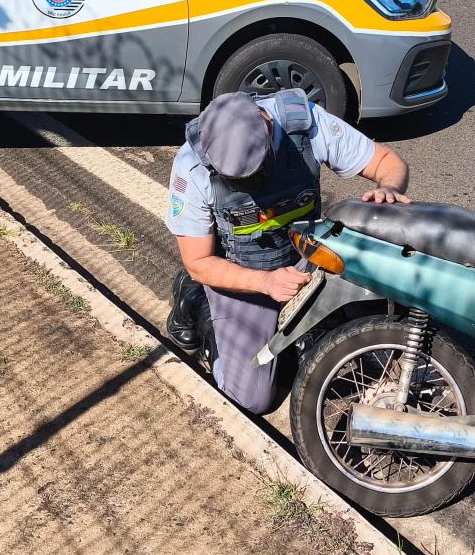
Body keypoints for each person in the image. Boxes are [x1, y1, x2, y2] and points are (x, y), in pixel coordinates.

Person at [164, 89, 410, 414]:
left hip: (305, 254)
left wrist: (388, 189)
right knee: (251, 401)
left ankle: (303, 328)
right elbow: (198, 261)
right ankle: (198, 303)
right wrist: (265, 283)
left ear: (267, 125)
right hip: (241, 273)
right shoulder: (192, 165)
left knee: (377, 333)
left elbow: (386, 162)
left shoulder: (305, 125)